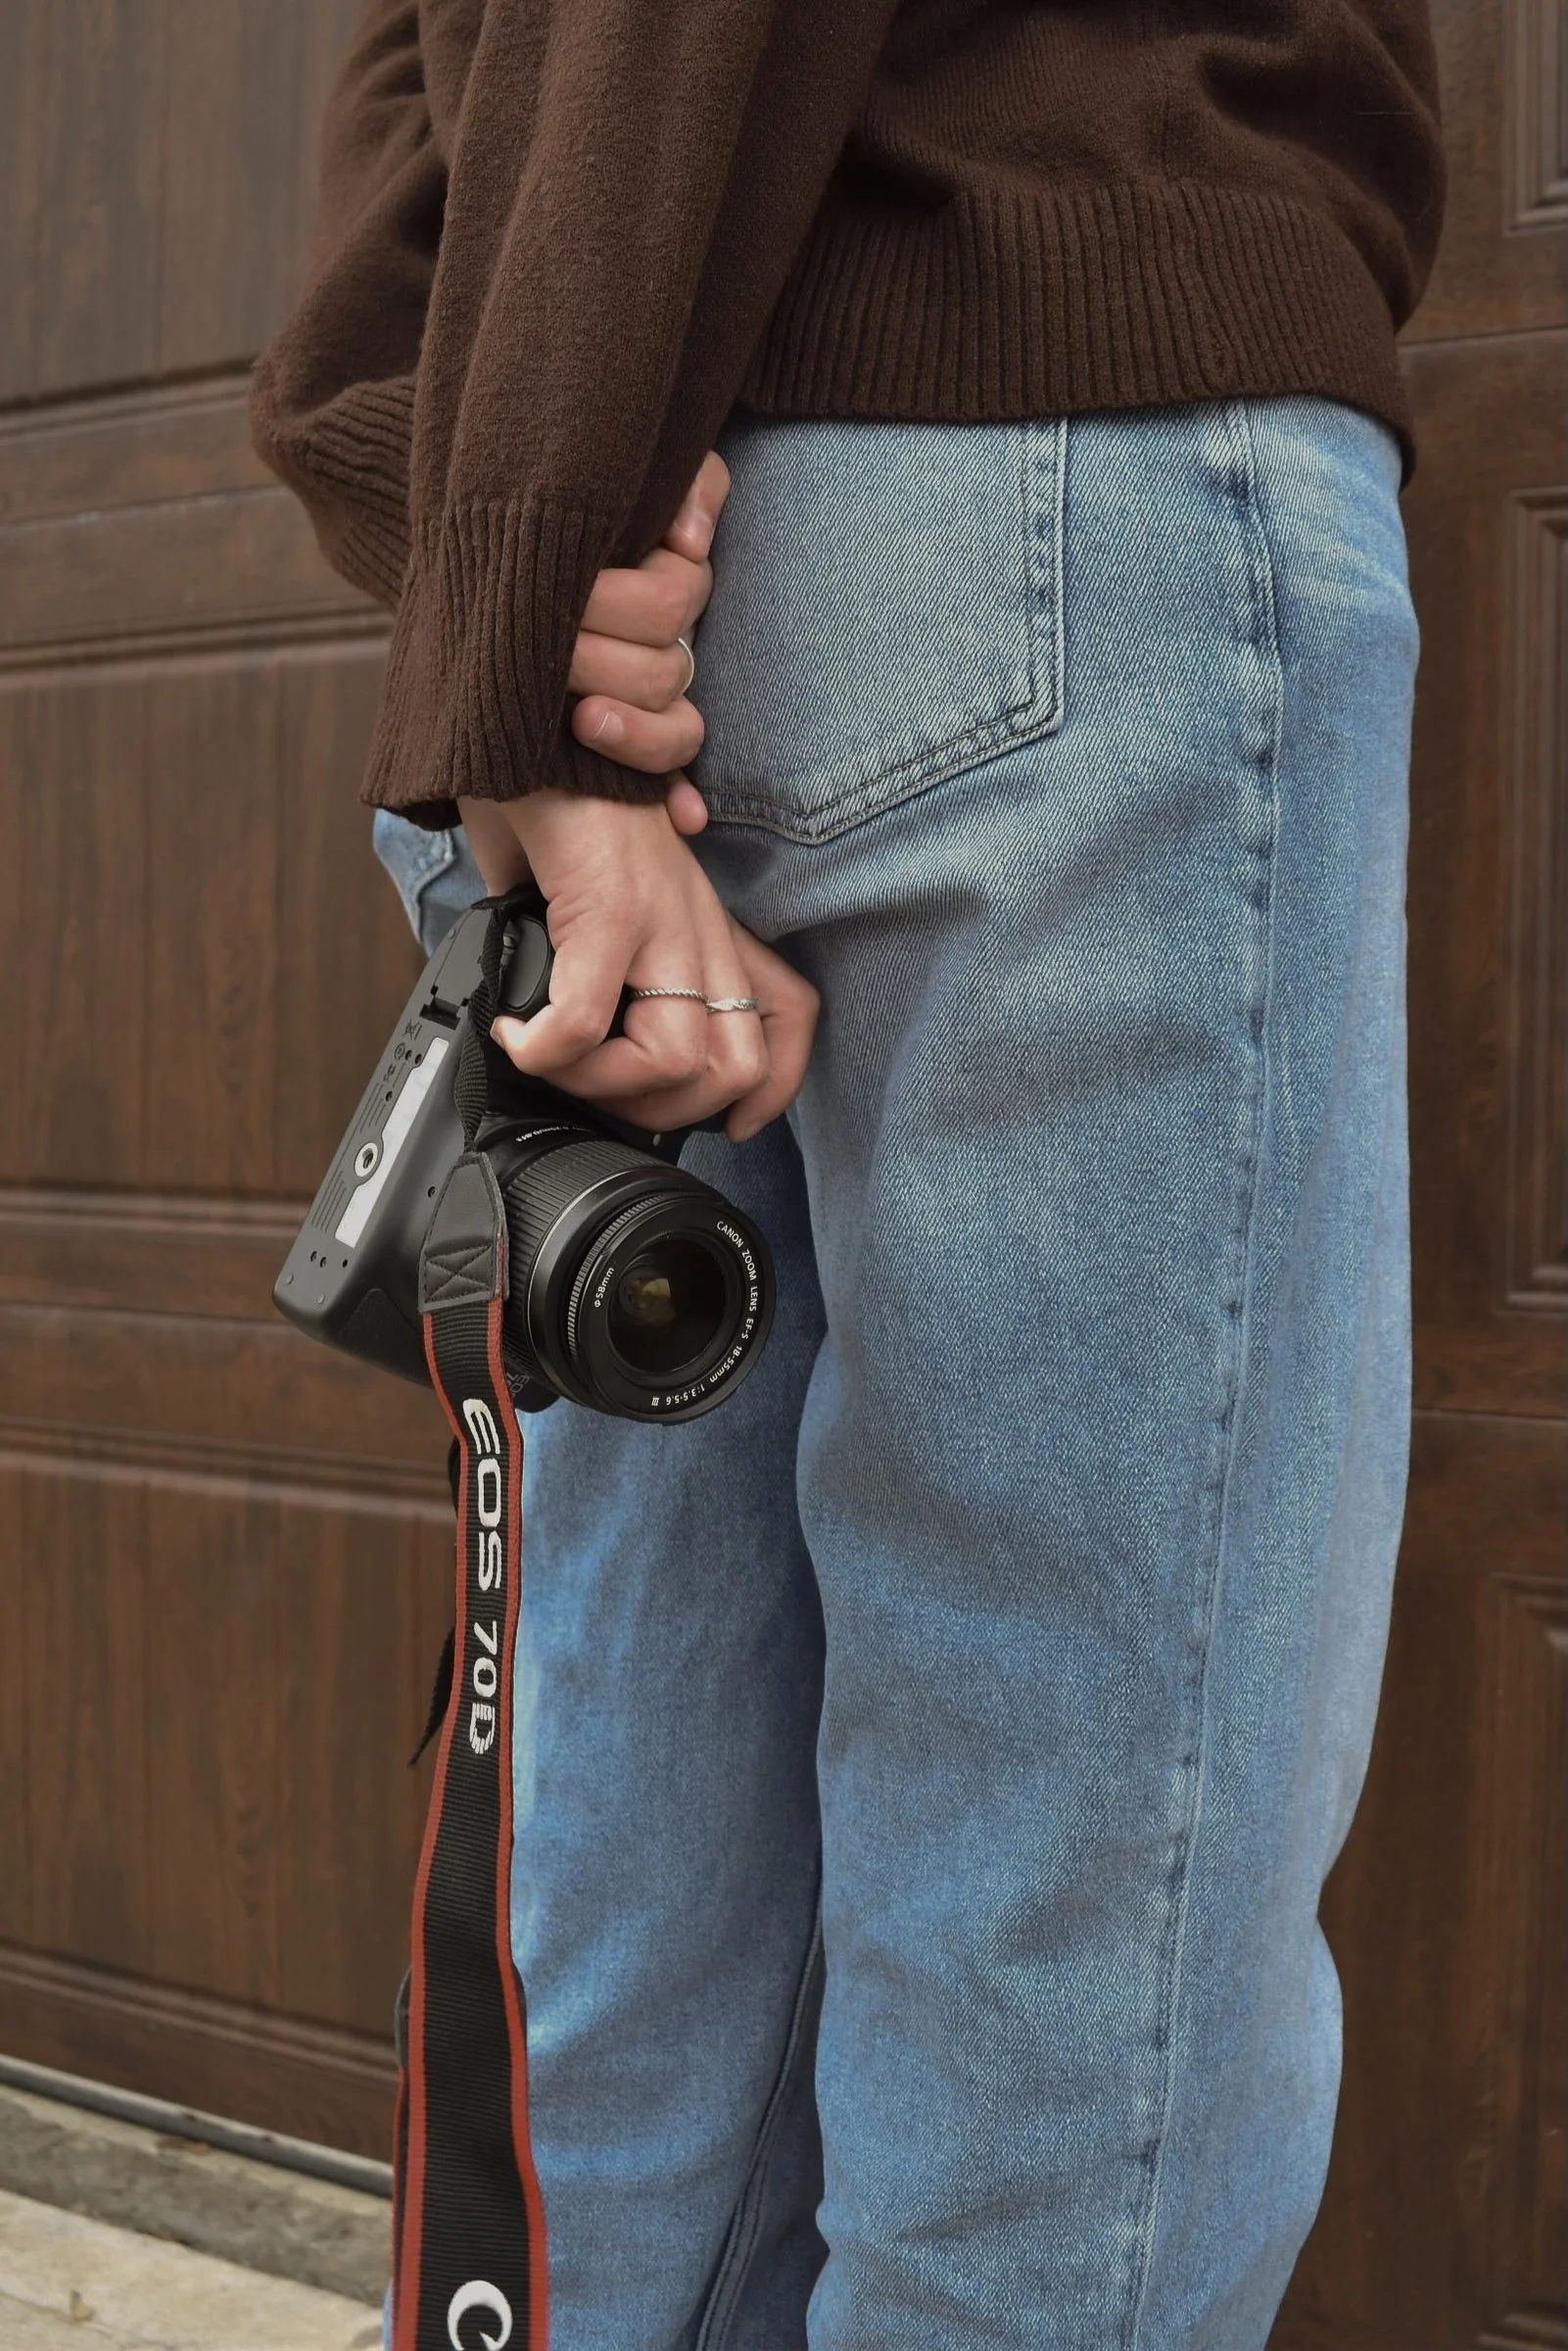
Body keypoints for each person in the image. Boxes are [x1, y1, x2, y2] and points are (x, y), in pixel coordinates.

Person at [251, 2, 1445, 2341]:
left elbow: (416, 62)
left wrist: (482, 564)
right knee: (1079, 1903)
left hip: (653, 603)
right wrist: (515, 576)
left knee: (640, 1840)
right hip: (1051, 483)